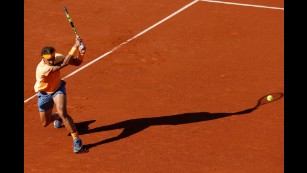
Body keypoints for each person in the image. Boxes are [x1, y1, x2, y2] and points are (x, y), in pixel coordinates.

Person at [34, 36, 87, 153]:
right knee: (45, 123)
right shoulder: (42, 69)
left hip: (58, 89)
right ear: (43, 59)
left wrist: (81, 53)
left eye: (53, 58)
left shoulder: (58, 57)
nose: (52, 61)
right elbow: (63, 64)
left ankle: (77, 140)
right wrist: (75, 46)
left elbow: (76, 62)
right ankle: (57, 116)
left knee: (64, 112)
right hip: (44, 94)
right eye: (49, 60)